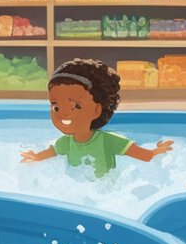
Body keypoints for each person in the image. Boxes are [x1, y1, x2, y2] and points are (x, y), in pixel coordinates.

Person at [20, 58, 173, 177]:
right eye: (56, 107)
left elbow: (142, 155)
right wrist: (35, 157)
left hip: (105, 193)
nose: (63, 114)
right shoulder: (65, 142)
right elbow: (51, 152)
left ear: (96, 110)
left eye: (76, 107)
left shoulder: (108, 140)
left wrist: (156, 152)